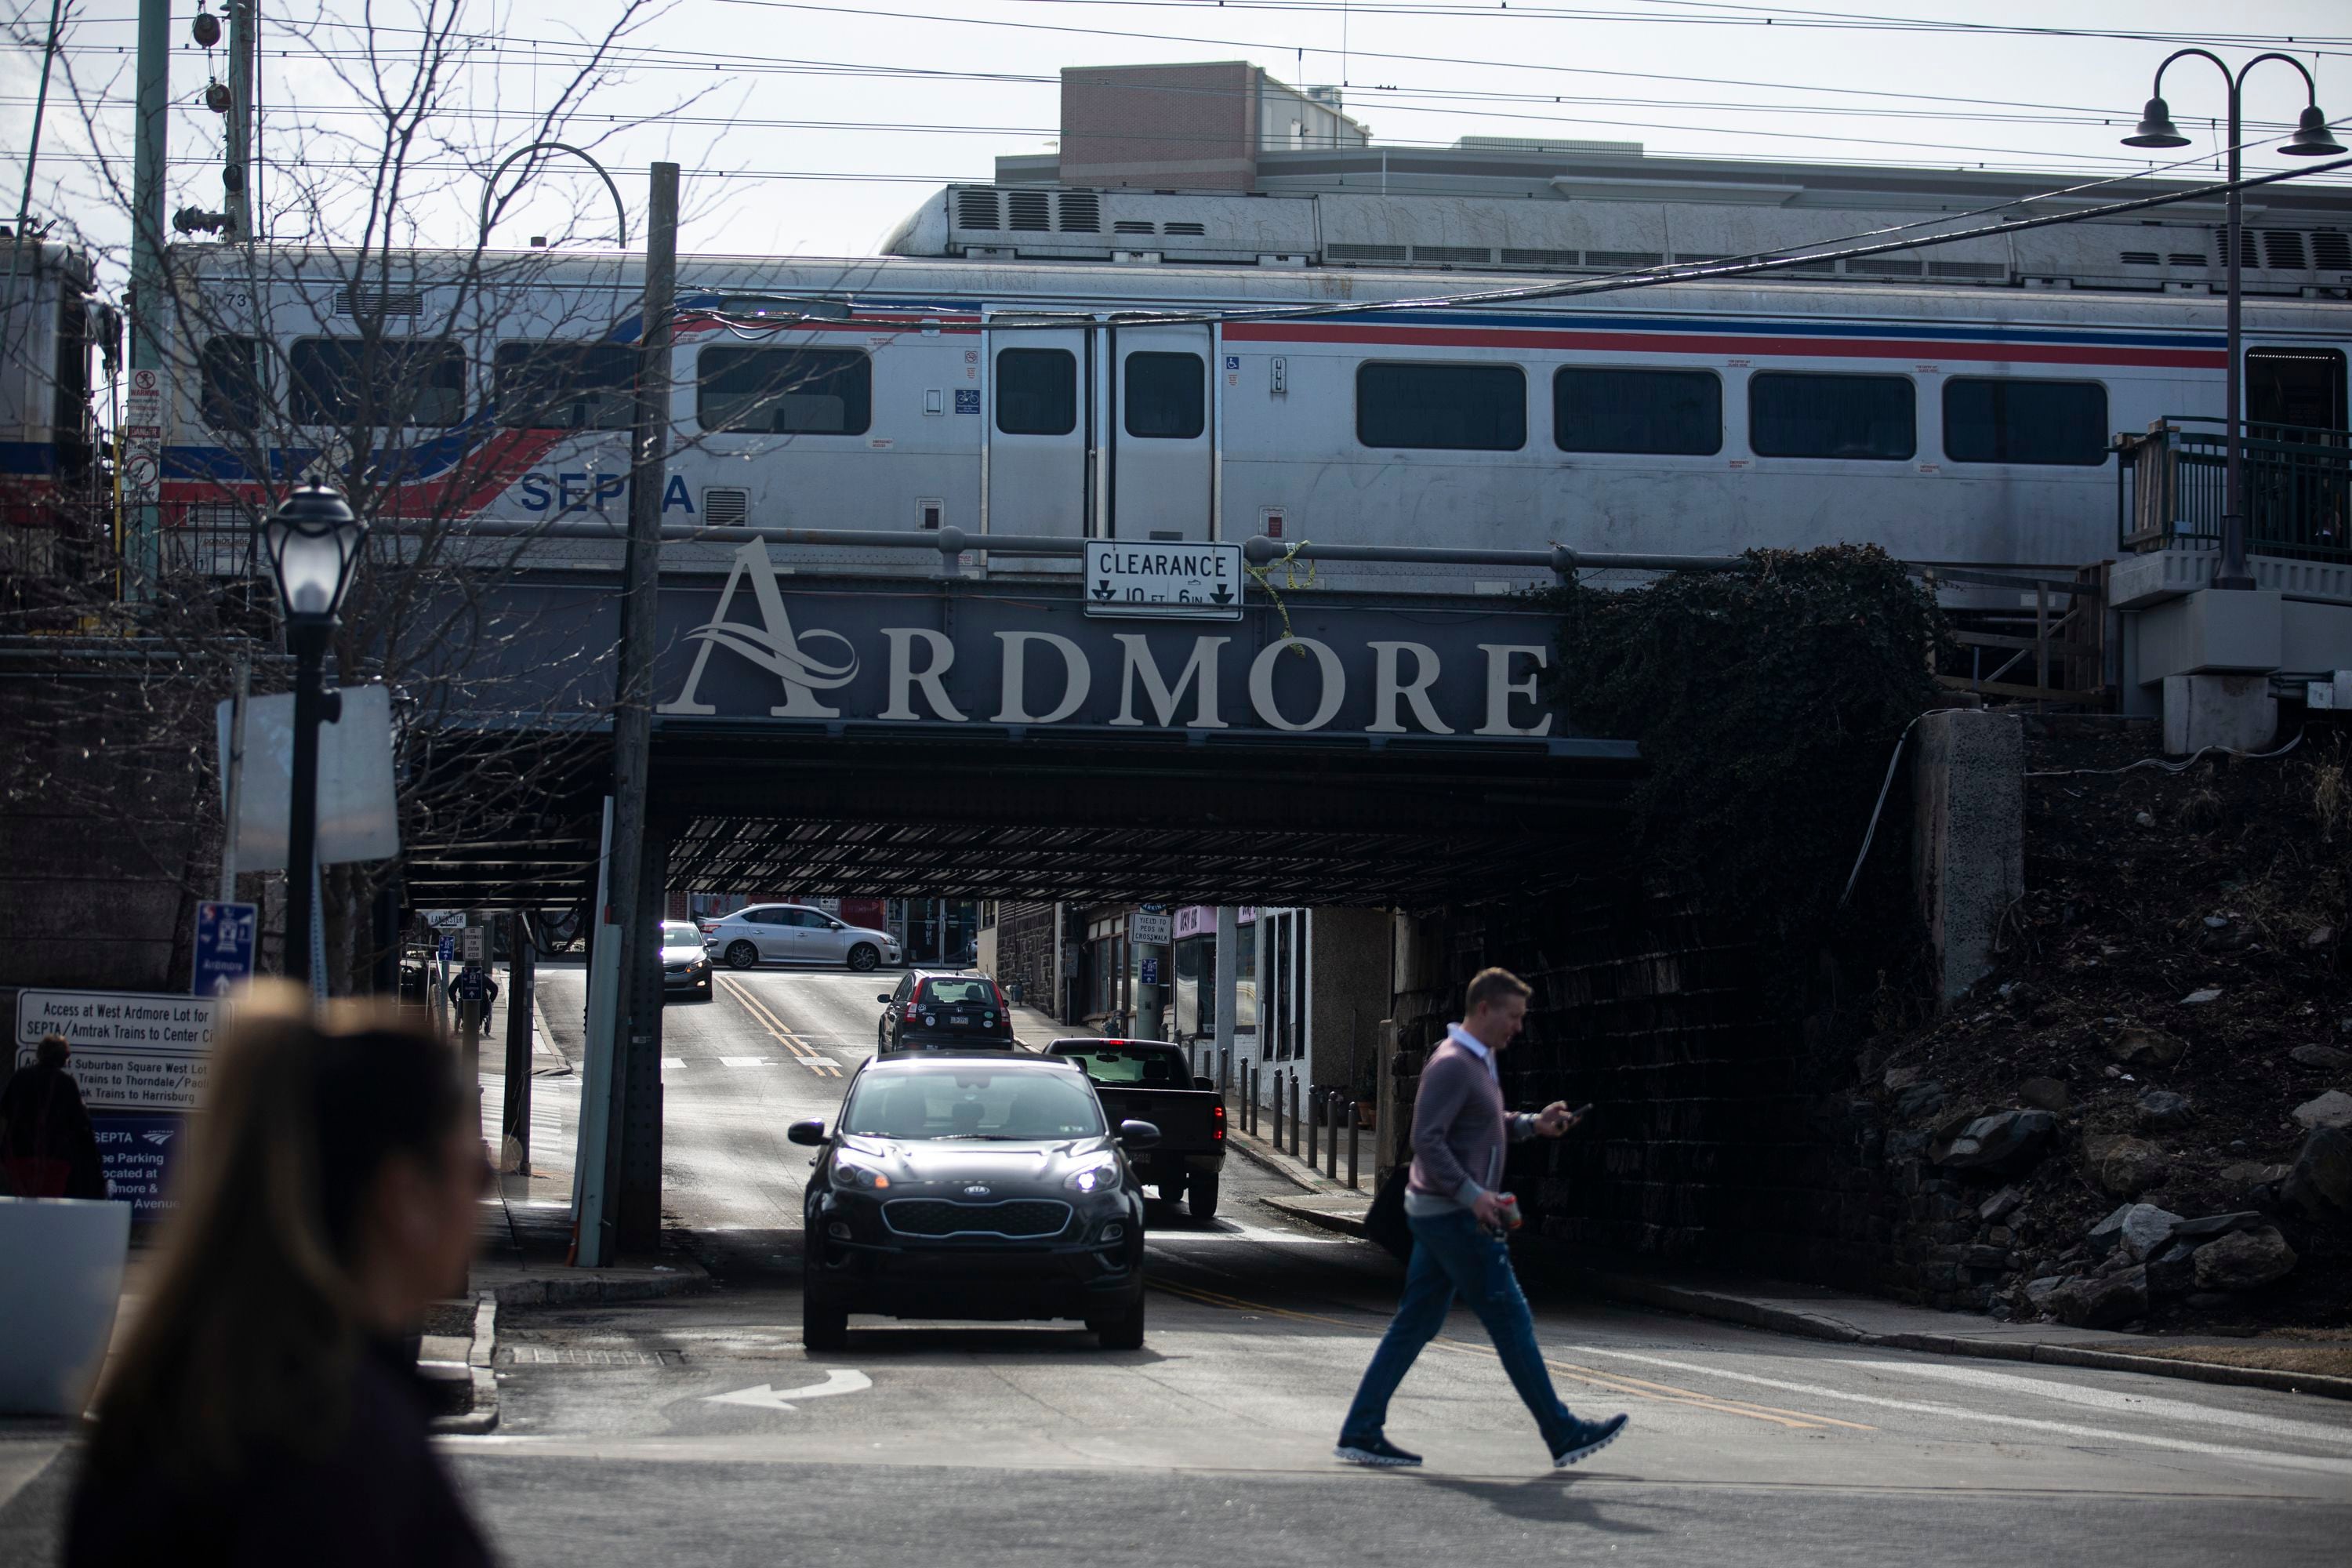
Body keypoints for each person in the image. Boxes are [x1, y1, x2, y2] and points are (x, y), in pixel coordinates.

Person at [67, 983, 495, 1566]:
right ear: (406, 1196)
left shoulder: (186, 1390)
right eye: (476, 1173)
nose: (481, 1208)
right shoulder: (343, 1446)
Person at [1336, 966, 1629, 1470]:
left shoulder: (1480, 1059)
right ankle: (1561, 1432)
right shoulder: (1452, 1062)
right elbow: (1426, 1138)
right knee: (1511, 1319)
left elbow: (1481, 1124)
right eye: (1513, 1016)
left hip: (1443, 1212)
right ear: (1485, 1009)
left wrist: (1531, 1124)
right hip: (1454, 1217)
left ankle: (1361, 1429)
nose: (1519, 1027)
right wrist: (1473, 1196)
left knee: (1416, 1322)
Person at [0, 1033, 107, 1199]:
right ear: (64, 1058)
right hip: (55, 1158)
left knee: (21, 1199)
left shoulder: (20, 1077)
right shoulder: (66, 1083)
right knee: (49, 1201)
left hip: (18, 1154)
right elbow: (80, 1123)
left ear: (40, 1053)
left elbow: (5, 1111)